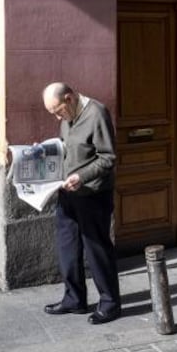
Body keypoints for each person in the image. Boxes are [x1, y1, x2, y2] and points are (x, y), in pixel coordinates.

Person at [42, 81, 121, 325]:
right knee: (68, 247)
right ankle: (74, 299)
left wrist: (82, 176)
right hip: (68, 193)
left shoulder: (97, 113)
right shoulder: (68, 116)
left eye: (58, 111)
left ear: (69, 98)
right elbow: (66, 148)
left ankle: (110, 304)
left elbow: (108, 157)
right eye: (53, 113)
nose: (57, 118)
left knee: (96, 249)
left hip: (93, 195)